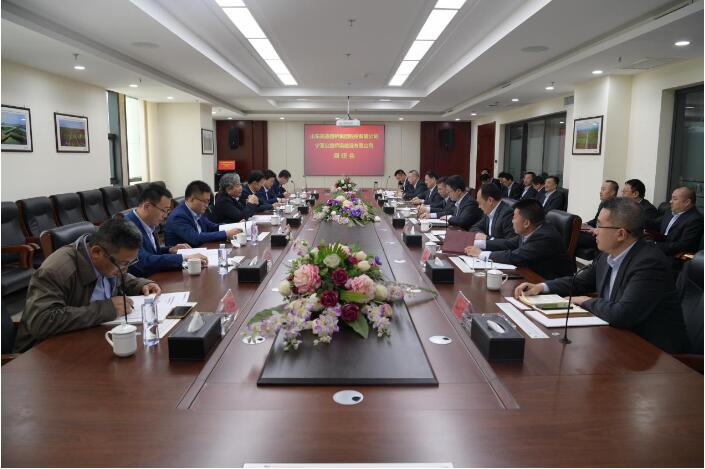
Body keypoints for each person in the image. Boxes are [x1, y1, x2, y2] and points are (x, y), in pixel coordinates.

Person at [514, 197, 688, 353]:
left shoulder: (649, 263)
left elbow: (622, 314)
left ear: (621, 234)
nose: (594, 231)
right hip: (615, 338)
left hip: (653, 353)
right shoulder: (607, 255)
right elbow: (578, 282)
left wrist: (583, 301)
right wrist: (541, 287)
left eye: (599, 225)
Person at [14, 217, 161, 352]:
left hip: (87, 336)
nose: (125, 269)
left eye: (130, 263)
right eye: (123, 264)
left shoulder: (106, 262)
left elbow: (117, 274)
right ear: (96, 252)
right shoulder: (56, 271)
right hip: (44, 352)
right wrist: (107, 309)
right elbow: (42, 321)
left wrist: (140, 284)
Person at [465, 198, 573, 280]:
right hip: (529, 275)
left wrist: (481, 254)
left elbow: (515, 256)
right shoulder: (530, 230)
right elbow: (508, 243)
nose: (512, 221)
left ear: (526, 223)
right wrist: (478, 243)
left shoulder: (545, 237)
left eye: (514, 217)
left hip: (548, 284)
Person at [125, 184, 207, 277]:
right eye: (164, 210)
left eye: (168, 211)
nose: (165, 216)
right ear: (147, 207)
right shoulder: (127, 228)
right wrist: (185, 258)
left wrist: (170, 250)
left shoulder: (149, 223)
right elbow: (143, 261)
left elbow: (153, 253)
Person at [165, 180, 241, 247]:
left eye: (208, 201)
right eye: (204, 201)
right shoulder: (179, 216)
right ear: (191, 199)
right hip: (184, 256)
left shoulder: (197, 211)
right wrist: (226, 234)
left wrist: (236, 226)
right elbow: (195, 238)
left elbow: (212, 227)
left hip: (200, 250)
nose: (207, 205)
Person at [652, 186, 703, 269]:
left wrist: (655, 245)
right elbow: (654, 224)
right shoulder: (670, 212)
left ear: (687, 202)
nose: (670, 201)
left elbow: (683, 246)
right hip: (660, 252)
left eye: (675, 199)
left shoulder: (695, 220)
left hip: (676, 259)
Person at [576, 180, 619, 259]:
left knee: (573, 236)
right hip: (594, 232)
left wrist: (597, 230)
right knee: (572, 230)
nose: (600, 192)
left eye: (603, 189)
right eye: (601, 189)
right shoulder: (603, 203)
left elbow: (612, 229)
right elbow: (595, 220)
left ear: (613, 192)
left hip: (603, 237)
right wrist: (584, 224)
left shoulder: (617, 207)